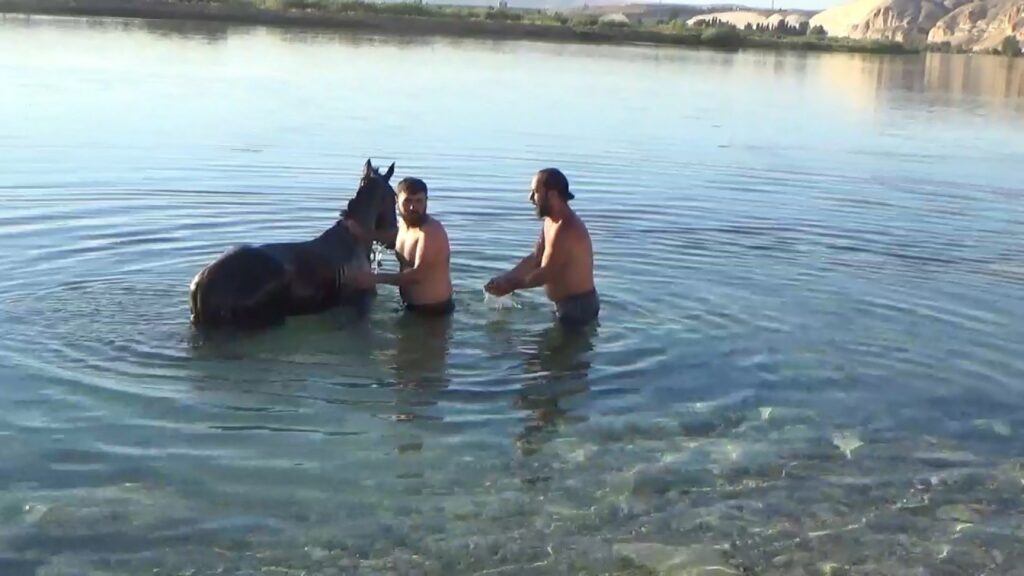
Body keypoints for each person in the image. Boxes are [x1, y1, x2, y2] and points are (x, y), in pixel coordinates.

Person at [484, 168, 599, 326]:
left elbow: (547, 273)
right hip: (565, 305)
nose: (530, 198)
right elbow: (537, 257)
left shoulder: (566, 228)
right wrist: (505, 278)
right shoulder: (550, 221)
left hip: (578, 309)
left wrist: (510, 285)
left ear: (551, 194)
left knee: (555, 351)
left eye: (535, 192)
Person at [346, 176, 454, 316]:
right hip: (408, 307)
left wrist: (373, 278)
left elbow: (418, 276)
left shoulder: (431, 232)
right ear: (397, 201)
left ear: (426, 201)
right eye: (407, 201)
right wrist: (364, 234)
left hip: (433, 313)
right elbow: (394, 235)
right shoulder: (405, 224)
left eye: (418, 201)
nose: (412, 207)